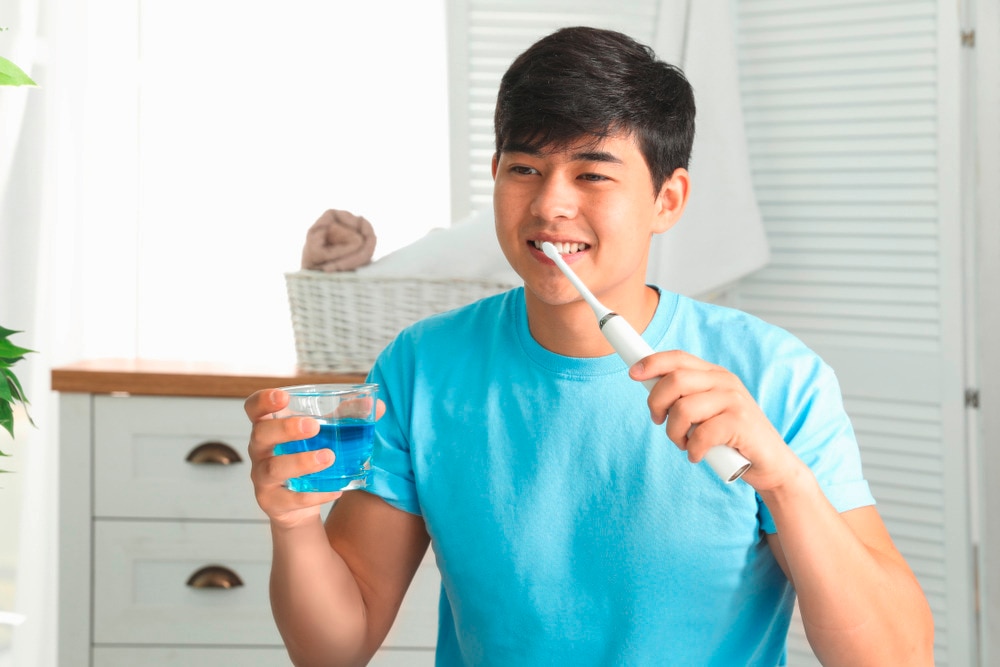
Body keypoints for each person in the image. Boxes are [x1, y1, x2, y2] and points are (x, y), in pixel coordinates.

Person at [246, 26, 934, 666]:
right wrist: (296, 524)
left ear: (668, 200)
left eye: (592, 173)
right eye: (524, 169)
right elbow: (334, 648)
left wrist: (784, 482)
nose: (550, 205)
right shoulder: (421, 369)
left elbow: (897, 657)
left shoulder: (776, 378)